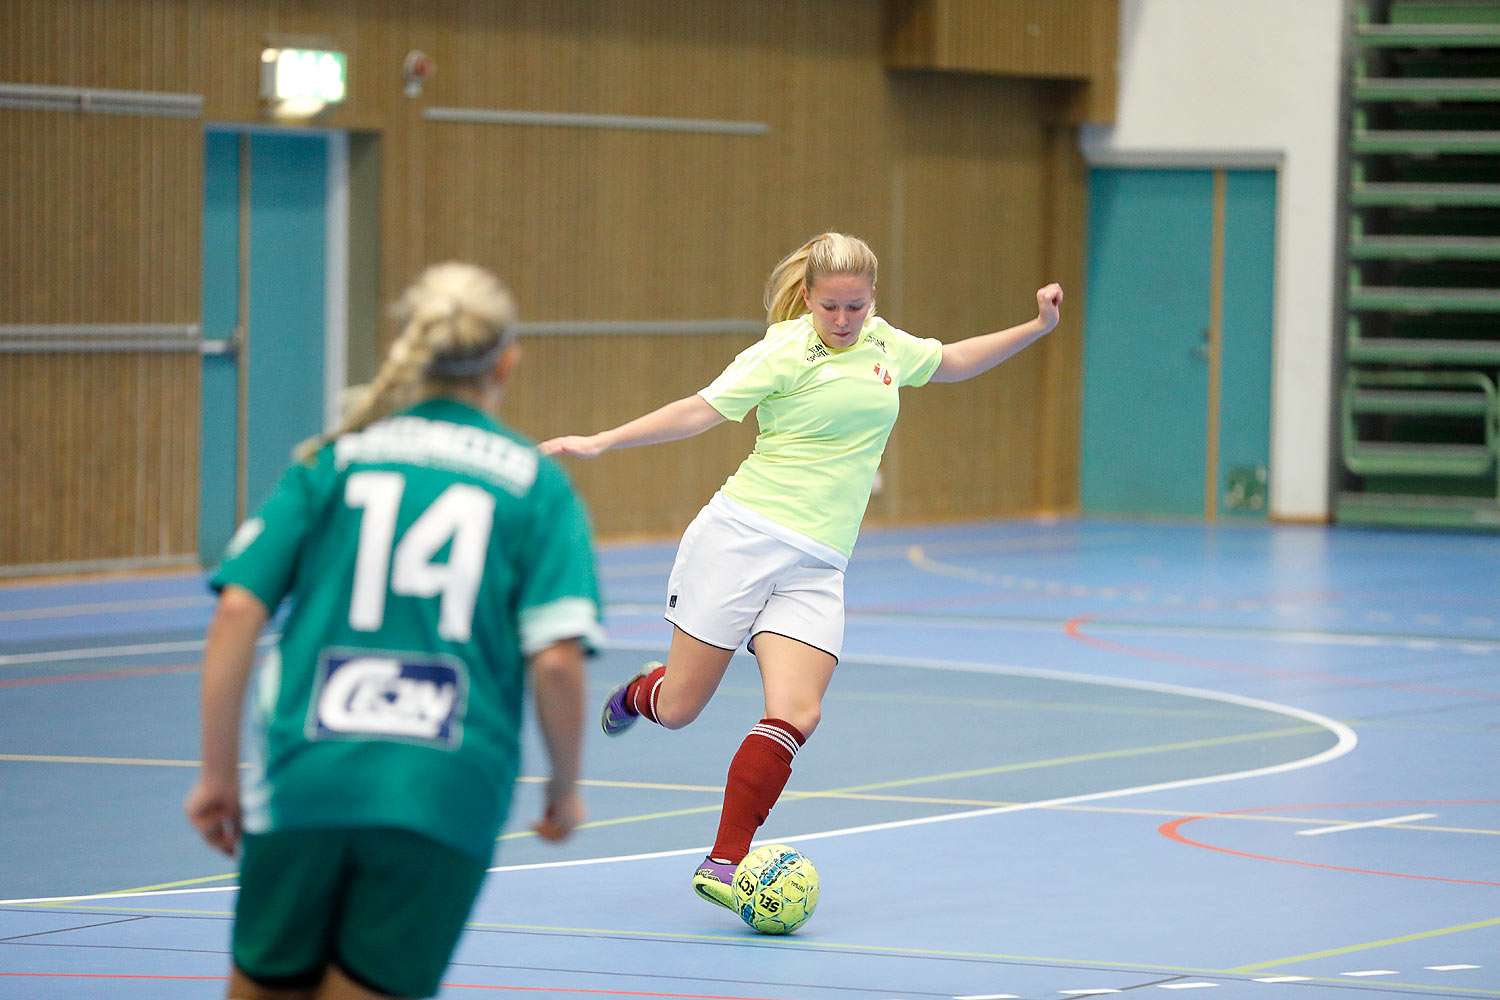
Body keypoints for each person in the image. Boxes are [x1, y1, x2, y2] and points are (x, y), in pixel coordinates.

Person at [540, 232, 1062, 912]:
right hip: (740, 541)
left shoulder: (885, 346)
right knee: (680, 709)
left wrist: (1040, 325)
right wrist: (604, 440)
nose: (844, 322)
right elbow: (701, 409)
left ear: (872, 300)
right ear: (809, 300)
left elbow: (954, 361)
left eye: (857, 307)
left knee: (797, 711)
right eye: (831, 308)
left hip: (818, 562)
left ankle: (722, 864)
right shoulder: (783, 350)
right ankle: (644, 693)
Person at [184, 262, 603, 1000]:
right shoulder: (535, 487)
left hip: (306, 777)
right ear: (507, 360)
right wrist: (564, 790)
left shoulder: (332, 460)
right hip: (441, 792)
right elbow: (558, 662)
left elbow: (238, 611)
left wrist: (218, 775)